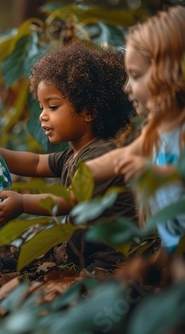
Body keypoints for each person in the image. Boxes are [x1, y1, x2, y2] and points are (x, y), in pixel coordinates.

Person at [0, 41, 137, 271]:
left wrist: (23, 203)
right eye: (41, 107)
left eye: (52, 107)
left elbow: (71, 200)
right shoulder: (75, 152)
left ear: (88, 112)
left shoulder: (101, 155)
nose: (42, 116)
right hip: (84, 253)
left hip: (112, 260)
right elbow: (35, 164)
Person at [87, 5, 185, 255]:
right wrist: (81, 173)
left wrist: (155, 172)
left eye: (136, 75)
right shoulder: (158, 131)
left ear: (171, 71)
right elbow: (121, 157)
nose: (126, 87)